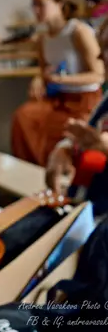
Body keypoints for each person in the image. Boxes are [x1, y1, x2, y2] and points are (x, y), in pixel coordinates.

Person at [11, 0, 105, 167]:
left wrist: (62, 79)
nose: (36, 10)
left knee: (60, 131)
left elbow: (99, 74)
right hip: (58, 98)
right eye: (34, 5)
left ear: (60, 3)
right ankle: (33, 172)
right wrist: (38, 78)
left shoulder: (77, 31)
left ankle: (59, 175)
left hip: (84, 99)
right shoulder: (43, 39)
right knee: (23, 117)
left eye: (41, 4)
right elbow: (45, 70)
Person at [46, 18, 108, 216]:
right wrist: (63, 150)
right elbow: (87, 136)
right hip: (85, 205)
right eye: (102, 48)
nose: (100, 57)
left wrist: (103, 146)